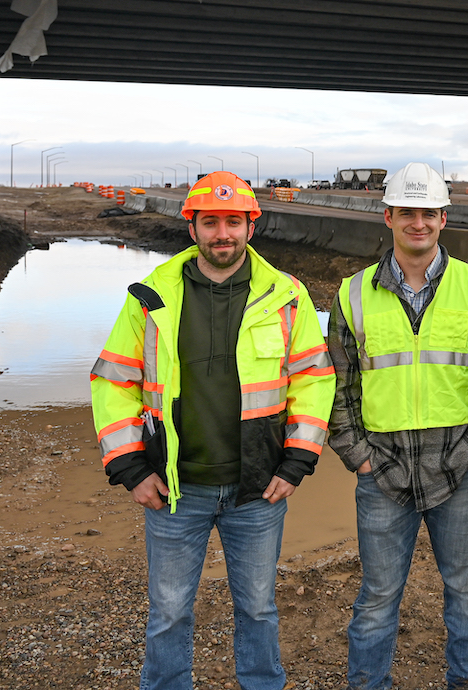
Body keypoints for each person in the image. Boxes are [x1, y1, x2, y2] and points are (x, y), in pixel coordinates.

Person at [90, 171, 335, 690]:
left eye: (232, 222)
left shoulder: (288, 297)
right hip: (177, 491)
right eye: (210, 223)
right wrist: (131, 468)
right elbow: (114, 381)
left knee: (258, 610)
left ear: (251, 225)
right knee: (170, 613)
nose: (222, 234)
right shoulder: (150, 297)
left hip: (258, 490)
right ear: (192, 227)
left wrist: (297, 462)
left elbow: (313, 382)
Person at [327, 162, 468, 690]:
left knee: (467, 587)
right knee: (379, 594)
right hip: (380, 470)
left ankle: (467, 682)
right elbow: (338, 387)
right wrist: (357, 454)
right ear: (388, 216)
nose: (418, 223)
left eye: (428, 213)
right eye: (407, 212)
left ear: (443, 218)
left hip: (459, 466)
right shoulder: (353, 293)